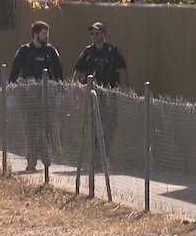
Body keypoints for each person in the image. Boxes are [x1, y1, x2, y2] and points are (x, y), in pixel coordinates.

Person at [8, 20, 63, 172]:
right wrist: (11, 90)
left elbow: (59, 72)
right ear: (35, 35)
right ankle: (32, 160)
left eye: (47, 33)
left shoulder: (51, 51)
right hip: (29, 95)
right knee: (31, 127)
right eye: (44, 34)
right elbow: (14, 71)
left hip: (47, 95)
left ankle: (46, 155)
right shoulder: (24, 51)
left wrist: (60, 91)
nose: (46, 36)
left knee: (46, 126)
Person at [72, 21, 128, 166]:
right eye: (92, 34)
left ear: (103, 34)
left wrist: (124, 91)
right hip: (92, 94)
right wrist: (77, 92)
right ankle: (95, 157)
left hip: (109, 92)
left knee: (110, 124)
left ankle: (104, 152)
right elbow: (77, 75)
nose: (94, 36)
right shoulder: (87, 53)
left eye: (97, 33)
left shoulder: (112, 51)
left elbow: (122, 71)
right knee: (93, 125)